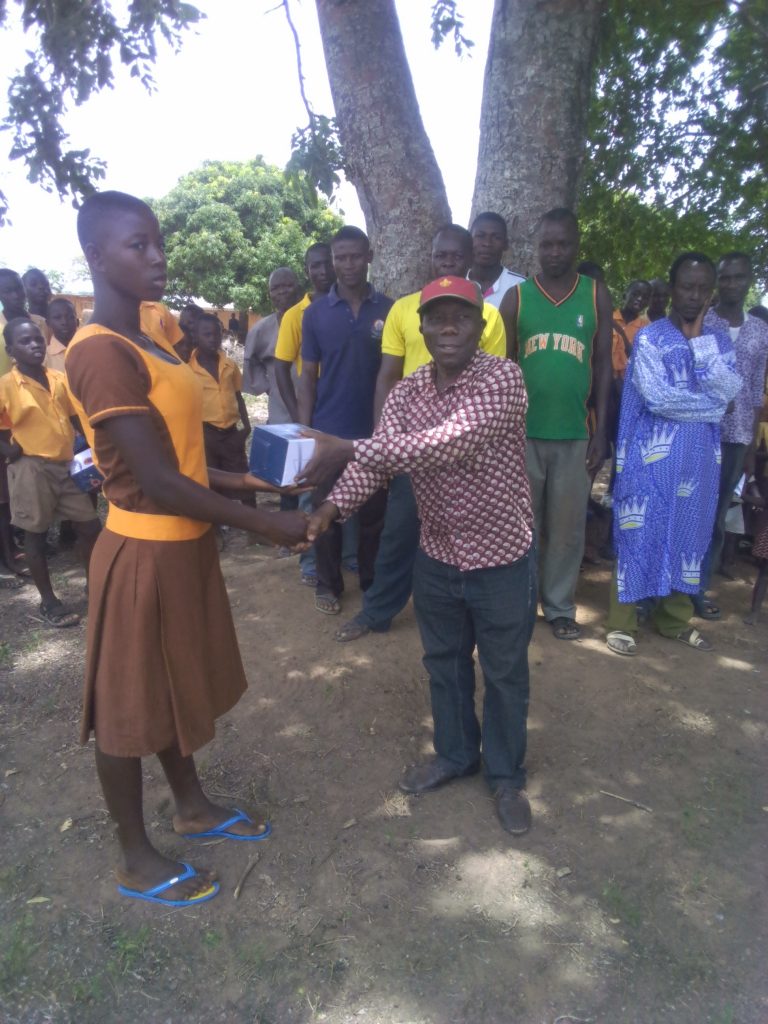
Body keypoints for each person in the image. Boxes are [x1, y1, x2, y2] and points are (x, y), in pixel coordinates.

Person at [64, 191, 309, 908]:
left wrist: (254, 481)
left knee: (171, 686)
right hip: (142, 555)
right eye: (136, 245)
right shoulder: (100, 353)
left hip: (183, 547)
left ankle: (191, 804)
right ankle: (135, 856)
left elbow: (187, 459)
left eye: (157, 241)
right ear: (96, 256)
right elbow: (158, 482)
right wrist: (268, 523)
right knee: (126, 707)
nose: (156, 255)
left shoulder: (149, 335)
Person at [300, 276, 536, 835]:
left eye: (461, 316)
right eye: (436, 317)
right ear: (420, 327)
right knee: (444, 663)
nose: (448, 326)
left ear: (482, 327)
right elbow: (376, 464)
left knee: (504, 673)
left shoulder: (503, 378)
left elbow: (453, 440)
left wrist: (350, 444)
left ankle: (505, 775)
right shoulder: (407, 392)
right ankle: (456, 755)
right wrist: (329, 511)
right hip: (437, 554)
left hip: (501, 555)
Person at [334, 223, 506, 643]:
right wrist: (383, 445)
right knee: (399, 534)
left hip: (468, 450)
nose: (447, 261)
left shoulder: (489, 315)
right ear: (430, 257)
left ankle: (473, 620)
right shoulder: (405, 309)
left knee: (471, 537)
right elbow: (387, 378)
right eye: (440, 255)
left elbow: (490, 381)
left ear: (469, 259)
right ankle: (377, 612)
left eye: (455, 255)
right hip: (410, 449)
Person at [605, 253, 741, 656]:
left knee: (689, 536)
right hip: (650, 459)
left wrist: (699, 343)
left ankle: (673, 619)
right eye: (686, 286)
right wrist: (714, 407)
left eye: (702, 288)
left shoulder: (715, 341)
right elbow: (659, 399)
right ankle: (623, 621)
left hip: (699, 463)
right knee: (639, 533)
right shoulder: (651, 337)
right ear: (673, 287)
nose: (693, 295)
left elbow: (729, 389)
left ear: (710, 292)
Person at [500, 208, 612, 640]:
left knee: (567, 530)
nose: (554, 252)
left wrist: (601, 429)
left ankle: (561, 606)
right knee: (522, 527)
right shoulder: (519, 298)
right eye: (547, 244)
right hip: (524, 435)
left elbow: (603, 365)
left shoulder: (596, 294)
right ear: (536, 247)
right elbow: (506, 371)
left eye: (563, 243)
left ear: (576, 246)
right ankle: (522, 603)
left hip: (575, 435)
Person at [297, 226, 392, 615]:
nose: (348, 265)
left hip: (375, 433)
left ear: (369, 256)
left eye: (355, 256)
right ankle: (328, 584)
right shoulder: (315, 314)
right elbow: (306, 376)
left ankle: (370, 583)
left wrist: (388, 431)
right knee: (325, 514)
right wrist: (306, 433)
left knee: (373, 517)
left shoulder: (389, 309)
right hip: (328, 431)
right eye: (341, 258)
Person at [0, 317, 101, 625]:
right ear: (10, 349)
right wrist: (9, 450)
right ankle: (49, 602)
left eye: (38, 340)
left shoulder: (58, 378)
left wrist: (90, 456)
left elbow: (75, 420)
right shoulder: (6, 386)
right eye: (25, 341)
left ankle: (94, 587)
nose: (34, 345)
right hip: (31, 469)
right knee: (35, 536)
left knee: (91, 527)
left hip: (66, 467)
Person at [693, 252, 768, 618]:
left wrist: (754, 445)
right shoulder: (703, 322)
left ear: (749, 280)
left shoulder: (760, 331)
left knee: (718, 513)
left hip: (736, 438)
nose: (731, 284)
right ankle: (676, 584)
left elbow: (756, 391)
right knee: (690, 507)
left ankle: (699, 589)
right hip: (699, 431)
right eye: (725, 277)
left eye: (738, 277)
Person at [189, 312, 254, 504]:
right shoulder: (187, 368)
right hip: (206, 434)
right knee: (212, 480)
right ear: (195, 337)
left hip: (231, 433)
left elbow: (237, 396)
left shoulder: (230, 365)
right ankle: (217, 524)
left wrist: (247, 426)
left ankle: (252, 520)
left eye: (216, 334)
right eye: (206, 335)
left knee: (242, 477)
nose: (212, 339)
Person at [274, 243, 335, 422]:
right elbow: (281, 368)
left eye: (328, 263)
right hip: (314, 399)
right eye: (315, 266)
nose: (323, 271)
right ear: (306, 270)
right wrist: (297, 415)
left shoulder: (351, 307)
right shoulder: (294, 315)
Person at [242, 267, 301, 424]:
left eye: (288, 285)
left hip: (318, 406)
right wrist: (269, 387)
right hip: (280, 410)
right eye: (275, 288)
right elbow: (250, 361)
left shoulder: (314, 319)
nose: (282, 291)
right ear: (270, 294)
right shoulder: (261, 329)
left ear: (298, 288)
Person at [467, 212, 525, 307]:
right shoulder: (455, 284)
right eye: (480, 236)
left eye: (496, 237)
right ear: (469, 240)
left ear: (505, 244)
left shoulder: (520, 286)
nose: (487, 243)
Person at [44, 297, 79, 372]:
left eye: (70, 317)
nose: (64, 322)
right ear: (48, 323)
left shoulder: (87, 350)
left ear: (77, 321)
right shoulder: (44, 357)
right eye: (57, 318)